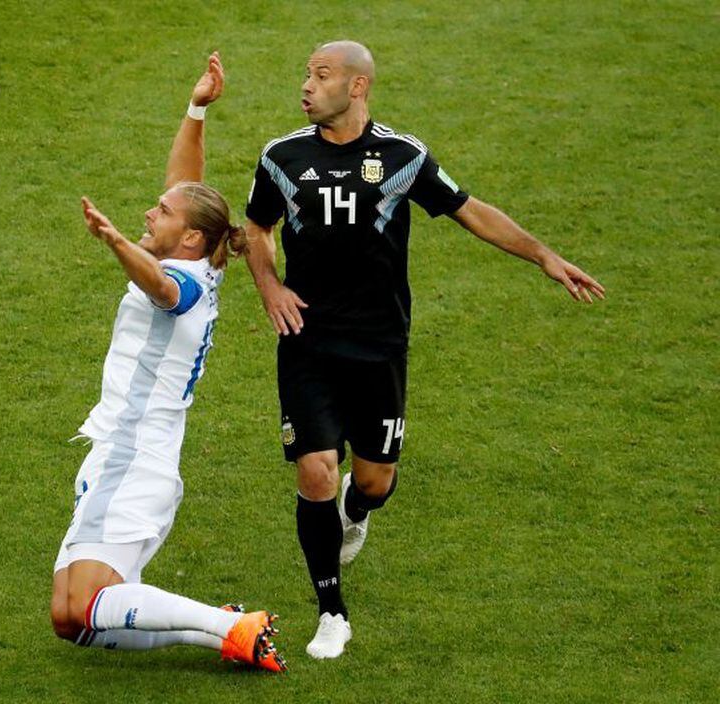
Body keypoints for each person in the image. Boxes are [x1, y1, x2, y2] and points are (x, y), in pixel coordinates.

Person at [244, 40, 605, 660]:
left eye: (321, 75)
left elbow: (470, 211)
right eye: (306, 73)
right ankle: (331, 612)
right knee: (314, 470)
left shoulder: (401, 157)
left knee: (375, 481)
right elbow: (256, 227)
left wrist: (545, 256)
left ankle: (359, 511)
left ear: (357, 87)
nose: (306, 85)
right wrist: (270, 285)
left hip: (380, 345)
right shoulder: (281, 156)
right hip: (308, 340)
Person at [50, 53, 286, 673]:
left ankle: (230, 626)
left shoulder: (180, 281)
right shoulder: (201, 260)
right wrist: (196, 109)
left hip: (133, 456)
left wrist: (116, 243)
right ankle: (226, 635)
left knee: (86, 604)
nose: (149, 211)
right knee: (70, 621)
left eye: (160, 212)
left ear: (188, 239)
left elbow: (159, 285)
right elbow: (188, 194)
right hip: (130, 456)